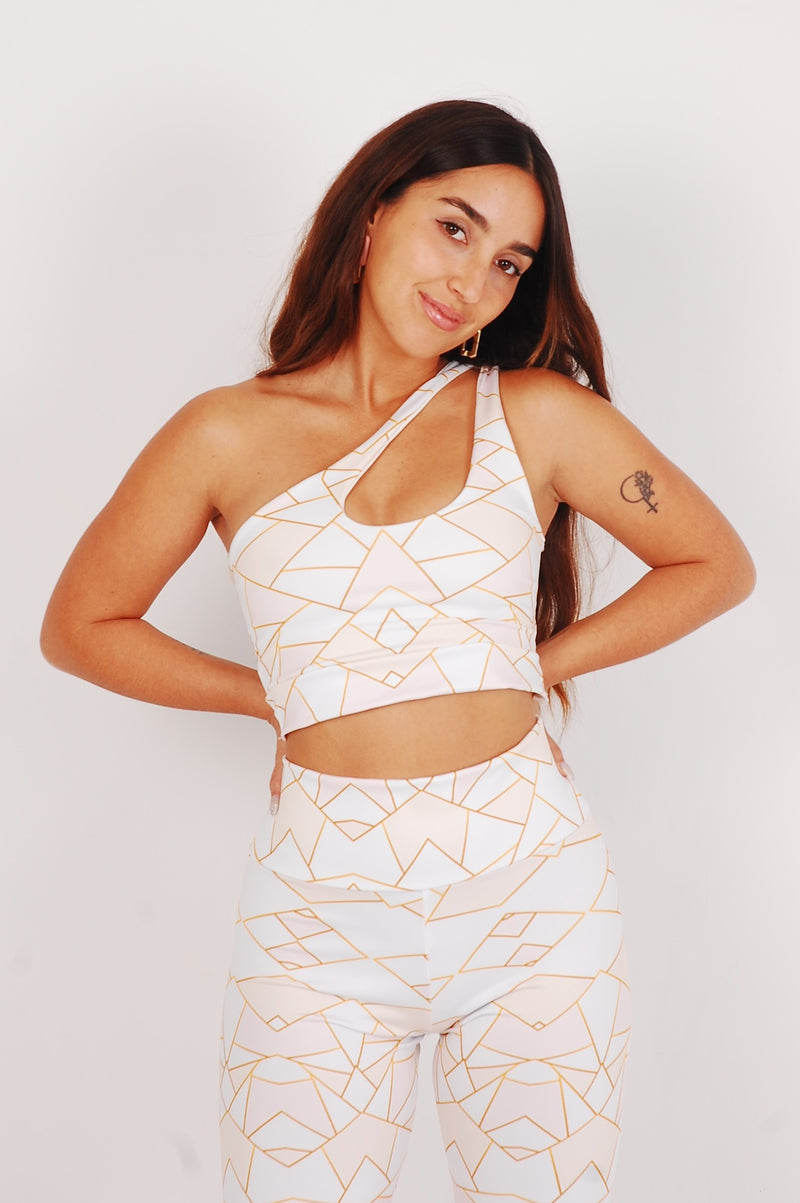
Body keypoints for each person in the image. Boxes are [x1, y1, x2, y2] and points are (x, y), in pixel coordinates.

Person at [40, 99, 755, 1203]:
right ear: (374, 216)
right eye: (453, 228)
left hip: (533, 903)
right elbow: (81, 625)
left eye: (509, 263)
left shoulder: (534, 413)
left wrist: (535, 668)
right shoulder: (223, 432)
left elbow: (713, 563)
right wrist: (274, 696)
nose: (472, 280)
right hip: (316, 918)